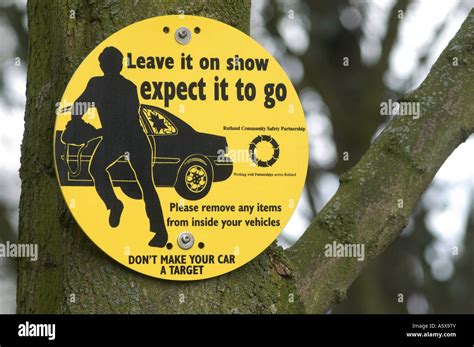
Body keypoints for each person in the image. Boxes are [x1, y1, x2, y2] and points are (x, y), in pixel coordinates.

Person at [71, 46, 168, 248]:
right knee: (98, 170)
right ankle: (115, 204)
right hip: (119, 137)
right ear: (105, 65)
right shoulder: (100, 84)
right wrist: (81, 125)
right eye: (108, 62)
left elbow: (126, 120)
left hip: (133, 138)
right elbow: (77, 108)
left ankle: (160, 232)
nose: (111, 66)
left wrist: (91, 128)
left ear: (118, 64)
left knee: (146, 183)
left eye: (113, 62)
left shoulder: (122, 86)